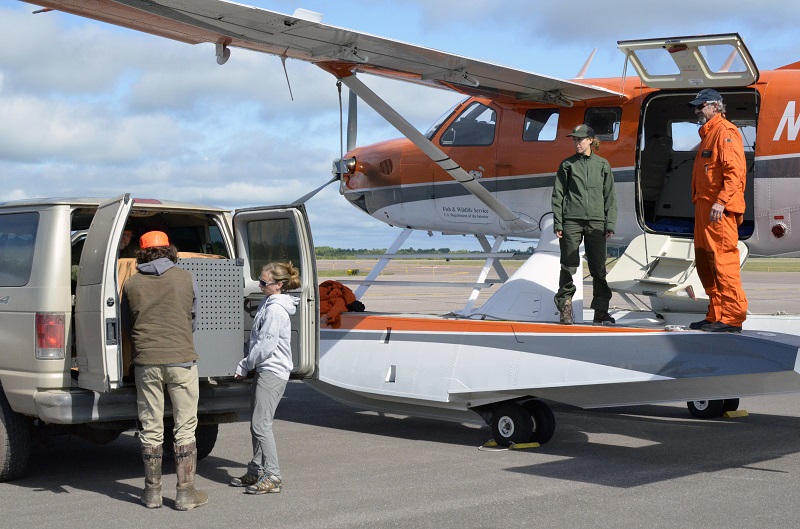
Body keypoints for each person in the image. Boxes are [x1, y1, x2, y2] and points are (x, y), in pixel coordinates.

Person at [121, 230, 208, 511]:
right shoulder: (185, 278)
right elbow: (193, 318)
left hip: (146, 362)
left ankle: (151, 493)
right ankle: (185, 493)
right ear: (170, 250)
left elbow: (126, 326)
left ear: (142, 253)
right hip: (181, 360)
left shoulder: (131, 284)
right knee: (185, 428)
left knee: (151, 428)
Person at [230, 262, 300, 494]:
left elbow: (266, 346)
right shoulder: (267, 303)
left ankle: (273, 476)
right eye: (260, 280)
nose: (259, 285)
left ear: (279, 285)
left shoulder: (275, 310)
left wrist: (245, 364)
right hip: (264, 370)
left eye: (263, 282)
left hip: (272, 371)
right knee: (257, 424)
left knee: (261, 425)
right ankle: (256, 470)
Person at [687, 88, 748, 332]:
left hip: (719, 210)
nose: (697, 110)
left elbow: (735, 173)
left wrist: (721, 201)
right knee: (706, 262)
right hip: (705, 208)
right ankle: (716, 314)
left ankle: (732, 318)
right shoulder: (708, 135)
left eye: (701, 106)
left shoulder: (725, 132)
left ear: (715, 106)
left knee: (723, 262)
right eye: (697, 106)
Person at [551, 124, 618, 325]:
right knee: (568, 265)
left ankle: (601, 311)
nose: (576, 143)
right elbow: (558, 195)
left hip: (597, 222)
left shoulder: (603, 165)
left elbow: (610, 197)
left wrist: (610, 223)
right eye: (574, 139)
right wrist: (558, 222)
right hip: (571, 220)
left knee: (598, 268)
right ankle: (565, 307)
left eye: (580, 139)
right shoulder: (567, 165)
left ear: (590, 140)